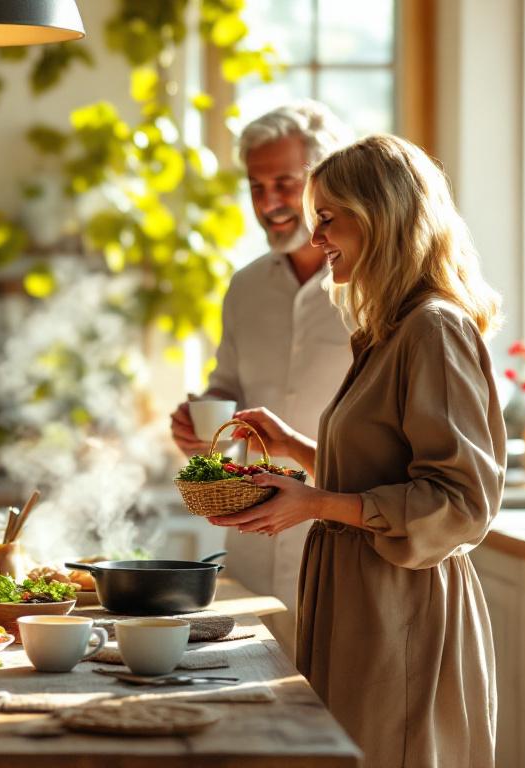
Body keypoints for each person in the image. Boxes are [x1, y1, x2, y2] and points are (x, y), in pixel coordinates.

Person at [213, 133, 504, 766]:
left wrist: (315, 503)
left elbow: (460, 505)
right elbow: (383, 471)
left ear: (382, 218)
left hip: (400, 611)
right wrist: (295, 448)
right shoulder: (387, 330)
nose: (316, 239)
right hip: (363, 604)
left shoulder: (433, 328)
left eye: (327, 219)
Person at [169, 101, 353, 658]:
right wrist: (203, 414)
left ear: (323, 185)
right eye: (256, 185)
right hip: (251, 538)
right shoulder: (245, 287)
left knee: (334, 710)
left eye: (283, 183)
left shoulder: (370, 284)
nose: (268, 202)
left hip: (342, 534)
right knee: (250, 691)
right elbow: (228, 385)